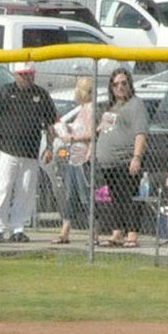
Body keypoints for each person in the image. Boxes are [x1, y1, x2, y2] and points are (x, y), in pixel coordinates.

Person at [0, 61, 58, 243]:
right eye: (24, 74)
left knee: (26, 190)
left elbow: (51, 122)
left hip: (30, 151)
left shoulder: (40, 94)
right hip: (8, 149)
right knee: (4, 188)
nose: (28, 78)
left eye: (30, 74)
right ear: (16, 75)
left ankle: (18, 228)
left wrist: (49, 146)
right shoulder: (6, 92)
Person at [95, 67, 149, 249]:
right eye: (115, 84)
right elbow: (103, 129)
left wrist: (136, 157)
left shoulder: (136, 105)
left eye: (123, 83)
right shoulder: (111, 107)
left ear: (129, 84)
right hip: (108, 163)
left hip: (126, 161)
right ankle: (117, 233)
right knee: (115, 198)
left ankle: (132, 236)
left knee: (130, 199)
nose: (119, 87)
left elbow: (140, 133)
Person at [51, 75, 95, 244]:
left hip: (84, 158)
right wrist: (64, 129)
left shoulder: (91, 109)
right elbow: (78, 129)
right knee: (70, 196)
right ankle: (65, 231)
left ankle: (94, 233)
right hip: (73, 158)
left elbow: (92, 133)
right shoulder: (82, 109)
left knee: (86, 196)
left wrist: (73, 137)